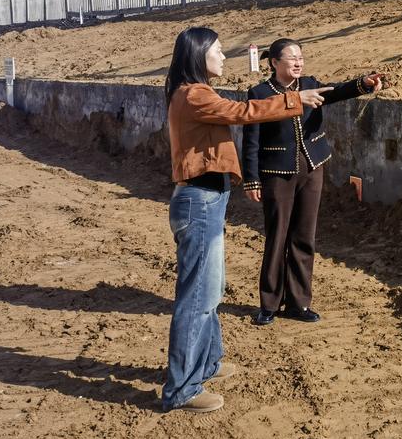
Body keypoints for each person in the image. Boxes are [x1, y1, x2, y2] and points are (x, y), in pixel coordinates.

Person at [162, 26, 331, 414]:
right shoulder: (194, 94)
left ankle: (208, 364)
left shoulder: (193, 92)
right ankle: (182, 389)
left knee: (211, 290)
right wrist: (293, 100)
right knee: (197, 300)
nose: (224, 57)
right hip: (199, 199)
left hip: (209, 197)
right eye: (218, 51)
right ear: (198, 54)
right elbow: (243, 113)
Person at [242, 38, 384, 326]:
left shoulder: (310, 83)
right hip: (276, 174)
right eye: (291, 58)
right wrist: (251, 179)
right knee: (276, 237)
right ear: (274, 63)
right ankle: (269, 304)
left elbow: (336, 92)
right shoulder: (259, 93)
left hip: (312, 168)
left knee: (304, 237)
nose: (298, 62)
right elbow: (251, 141)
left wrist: (364, 84)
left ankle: (298, 303)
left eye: (301, 57)